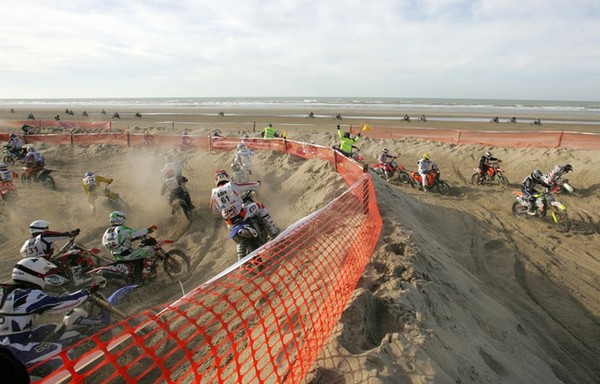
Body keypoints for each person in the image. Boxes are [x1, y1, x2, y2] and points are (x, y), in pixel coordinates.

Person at [0, 257, 103, 367]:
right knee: (59, 350)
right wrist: (87, 291)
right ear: (34, 275)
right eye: (43, 276)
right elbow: (59, 304)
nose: (44, 279)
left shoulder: (8, 290)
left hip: (12, 340)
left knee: (53, 328)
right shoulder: (27, 294)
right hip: (12, 347)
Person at [210, 170, 280, 239]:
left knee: (232, 233)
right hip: (242, 214)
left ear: (216, 180)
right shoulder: (231, 185)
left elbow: (213, 210)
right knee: (260, 205)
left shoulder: (213, 192)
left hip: (230, 222)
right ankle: (273, 230)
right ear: (226, 177)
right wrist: (257, 184)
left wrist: (223, 210)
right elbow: (245, 185)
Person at [102, 211, 158, 281]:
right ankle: (146, 275)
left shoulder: (107, 231)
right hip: (127, 255)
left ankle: (139, 272)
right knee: (150, 250)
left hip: (118, 256)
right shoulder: (122, 228)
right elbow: (136, 233)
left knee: (139, 251)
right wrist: (148, 230)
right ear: (120, 219)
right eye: (123, 218)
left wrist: (126, 241)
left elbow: (105, 243)